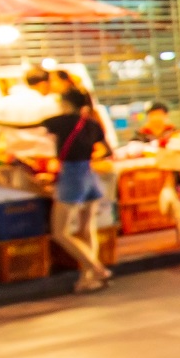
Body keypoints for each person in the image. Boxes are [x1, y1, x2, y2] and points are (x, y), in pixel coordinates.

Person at [44, 84, 113, 293]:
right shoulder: (91, 123)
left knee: (59, 232)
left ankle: (96, 268)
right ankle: (86, 278)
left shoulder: (62, 121)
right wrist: (85, 154)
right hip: (89, 174)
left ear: (66, 103)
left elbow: (23, 126)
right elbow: (106, 150)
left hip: (72, 176)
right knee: (86, 228)